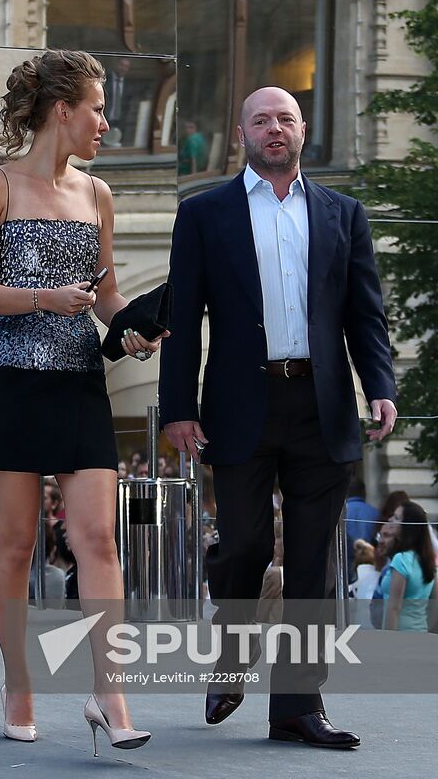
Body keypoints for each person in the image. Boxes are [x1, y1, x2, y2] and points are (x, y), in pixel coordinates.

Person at [159, 85, 397, 750]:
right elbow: (183, 319)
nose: (273, 129)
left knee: (315, 566)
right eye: (261, 120)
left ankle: (296, 706)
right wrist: (177, 409)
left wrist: (379, 385)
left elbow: (364, 314)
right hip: (238, 405)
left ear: (301, 132)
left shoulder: (343, 213)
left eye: (284, 119)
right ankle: (231, 661)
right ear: (242, 134)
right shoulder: (204, 214)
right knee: (242, 547)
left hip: (319, 406)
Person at [0, 49, 164, 751]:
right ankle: (19, 685)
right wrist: (41, 297)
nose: (105, 122)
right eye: (97, 109)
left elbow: (104, 298)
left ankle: (112, 696)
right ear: (62, 111)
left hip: (78, 385)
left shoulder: (98, 194)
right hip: (9, 384)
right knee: (12, 547)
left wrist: (130, 329)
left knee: (98, 539)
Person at [382, 502, 438, 632]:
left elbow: (394, 607)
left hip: (399, 637)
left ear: (409, 527)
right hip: (421, 633)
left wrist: (387, 640)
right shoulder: (428, 560)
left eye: (397, 518)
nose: (391, 520)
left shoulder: (401, 559)